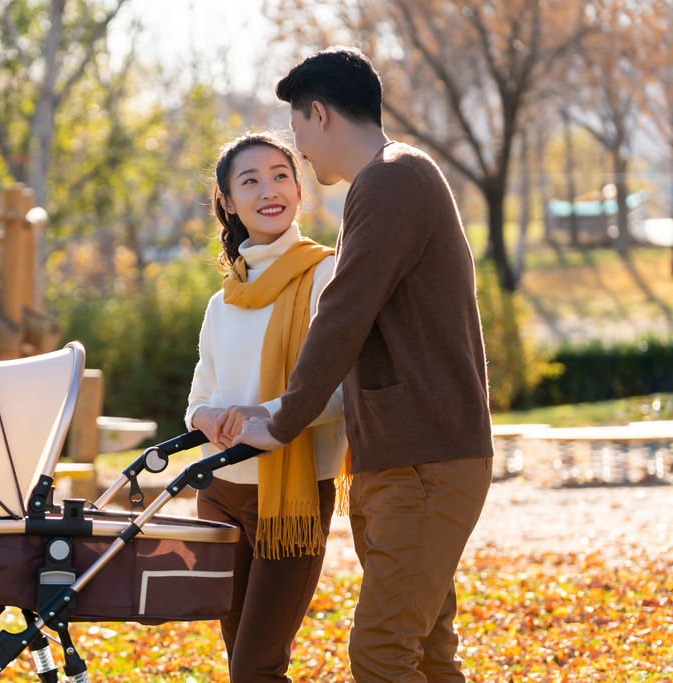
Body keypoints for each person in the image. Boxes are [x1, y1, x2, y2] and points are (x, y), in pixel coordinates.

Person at [230, 47, 495, 683]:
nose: (304, 152)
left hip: (426, 462)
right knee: (428, 657)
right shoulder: (386, 183)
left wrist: (284, 420)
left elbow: (343, 314)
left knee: (380, 655)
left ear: (318, 114)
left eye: (298, 134)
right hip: (400, 459)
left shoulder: (393, 178)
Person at [187, 132, 350, 683]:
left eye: (280, 175)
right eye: (249, 181)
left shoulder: (326, 276)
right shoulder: (223, 298)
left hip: (291, 495)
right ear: (228, 202)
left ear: (299, 190)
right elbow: (200, 394)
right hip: (220, 492)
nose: (268, 190)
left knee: (256, 666)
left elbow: (341, 388)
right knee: (241, 660)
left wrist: (269, 416)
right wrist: (207, 418)